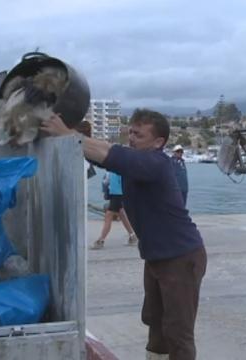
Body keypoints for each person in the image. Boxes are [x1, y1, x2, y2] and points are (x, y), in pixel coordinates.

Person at [42, 109, 206, 360]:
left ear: (158, 142)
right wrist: (69, 136)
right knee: (155, 321)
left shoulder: (157, 163)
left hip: (181, 258)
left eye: (138, 135)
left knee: (178, 331)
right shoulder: (136, 164)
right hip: (156, 257)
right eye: (130, 132)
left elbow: (115, 155)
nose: (131, 138)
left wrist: (67, 134)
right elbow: (104, 156)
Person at [91, 170, 138, 250]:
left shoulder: (120, 163)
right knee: (121, 214)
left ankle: (101, 240)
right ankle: (133, 236)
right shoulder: (114, 164)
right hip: (115, 192)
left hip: (118, 193)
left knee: (108, 215)